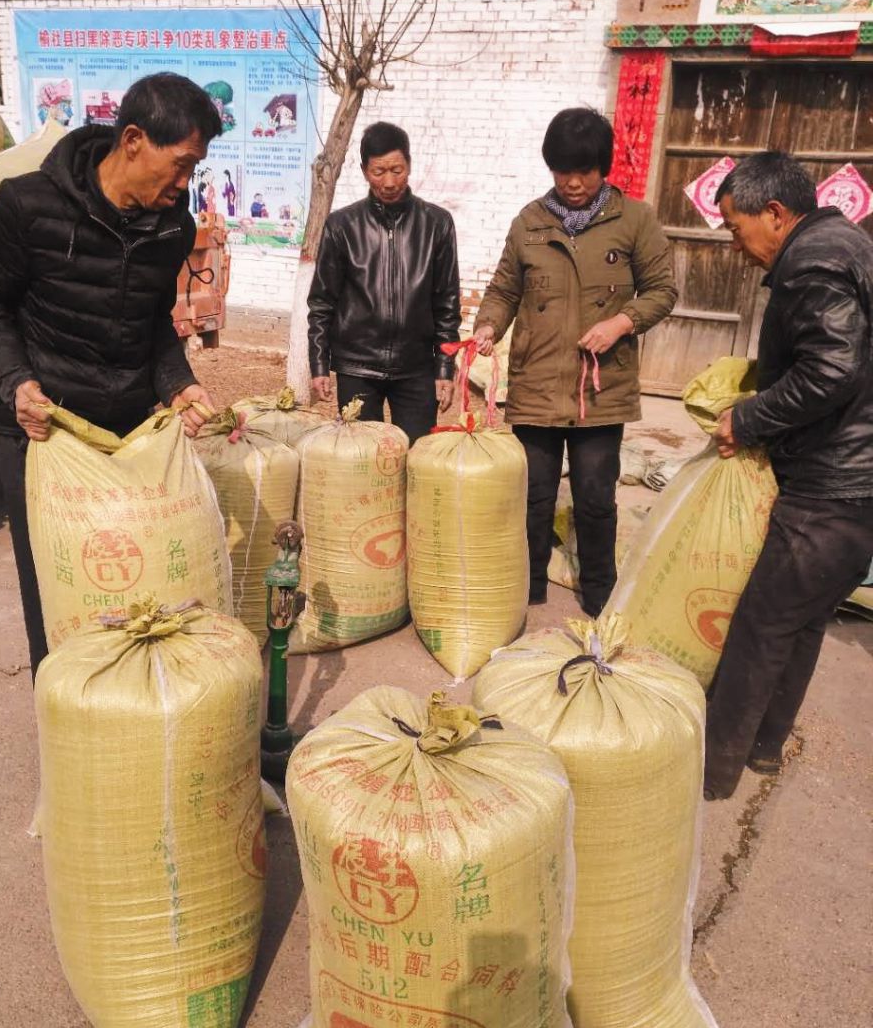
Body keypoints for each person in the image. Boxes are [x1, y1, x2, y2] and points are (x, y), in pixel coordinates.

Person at [0, 72, 221, 677]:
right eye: (181, 165)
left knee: (131, 579)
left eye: (194, 169)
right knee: (56, 588)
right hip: (41, 431)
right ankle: (63, 707)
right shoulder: (28, 205)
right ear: (132, 140)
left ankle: (128, 707)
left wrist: (178, 384)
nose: (185, 183)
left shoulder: (172, 226)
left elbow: (154, 323)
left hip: (123, 429)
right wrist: (16, 382)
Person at [703, 151, 873, 800]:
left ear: (775, 212)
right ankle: (764, 746)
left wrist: (747, 419)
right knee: (801, 621)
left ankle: (711, 772)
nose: (736, 245)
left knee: (761, 625)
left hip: (831, 485)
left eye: (736, 227)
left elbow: (831, 369)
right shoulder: (847, 243)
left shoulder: (812, 260)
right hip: (857, 484)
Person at [472, 107, 676, 614]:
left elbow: (662, 290)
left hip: (600, 391)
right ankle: (529, 585)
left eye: (584, 171)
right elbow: (504, 289)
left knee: (595, 497)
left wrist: (621, 322)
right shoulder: (529, 222)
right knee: (533, 494)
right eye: (563, 171)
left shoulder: (635, 220)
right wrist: (488, 325)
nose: (574, 183)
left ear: (603, 167)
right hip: (537, 383)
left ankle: (600, 592)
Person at [307, 121, 460, 443]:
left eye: (397, 170)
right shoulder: (342, 226)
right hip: (357, 368)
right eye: (379, 172)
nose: (389, 182)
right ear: (365, 171)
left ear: (409, 166)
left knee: (418, 456)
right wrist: (319, 365)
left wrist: (445, 368)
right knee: (362, 459)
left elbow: (447, 303)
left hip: (417, 368)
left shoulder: (437, 224)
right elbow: (322, 302)